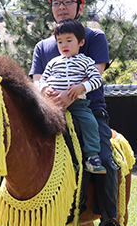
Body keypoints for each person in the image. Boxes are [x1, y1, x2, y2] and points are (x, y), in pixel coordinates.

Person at [30, 0, 126, 226]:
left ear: (80, 7)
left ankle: (108, 224)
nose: (61, 7)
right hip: (51, 113)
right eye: (56, 3)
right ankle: (10, 214)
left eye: (68, 2)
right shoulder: (43, 46)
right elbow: (36, 80)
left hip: (89, 111)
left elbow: (96, 72)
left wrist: (72, 93)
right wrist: (45, 90)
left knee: (106, 157)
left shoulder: (94, 38)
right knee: (17, 144)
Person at [39, 18, 106, 174]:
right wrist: (45, 88)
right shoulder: (53, 62)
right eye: (60, 42)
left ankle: (92, 156)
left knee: (90, 123)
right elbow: (42, 79)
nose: (64, 45)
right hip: (53, 103)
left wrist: (82, 87)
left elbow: (97, 79)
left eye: (69, 40)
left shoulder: (86, 61)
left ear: (81, 42)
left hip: (79, 104)